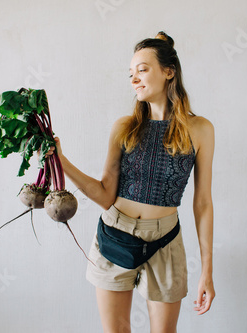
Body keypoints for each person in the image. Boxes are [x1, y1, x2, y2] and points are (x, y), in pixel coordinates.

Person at [42, 31, 215, 332]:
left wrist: (207, 271)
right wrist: (61, 159)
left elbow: (202, 203)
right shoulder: (124, 128)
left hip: (166, 242)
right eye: (131, 73)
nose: (134, 78)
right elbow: (105, 193)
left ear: (168, 71)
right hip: (114, 237)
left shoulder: (200, 129)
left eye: (143, 70)